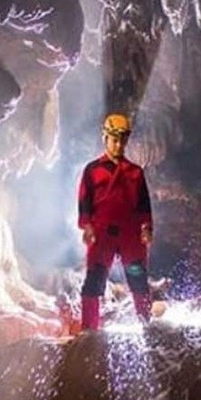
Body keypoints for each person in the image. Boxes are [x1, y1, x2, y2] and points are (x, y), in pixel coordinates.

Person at [77, 112, 153, 331]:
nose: (119, 144)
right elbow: (84, 200)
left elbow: (143, 204)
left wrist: (147, 227)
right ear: (105, 138)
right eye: (114, 139)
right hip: (102, 234)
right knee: (94, 281)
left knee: (138, 279)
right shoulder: (93, 170)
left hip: (130, 235)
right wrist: (87, 225)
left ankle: (146, 325)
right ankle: (89, 330)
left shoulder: (135, 172)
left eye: (123, 140)